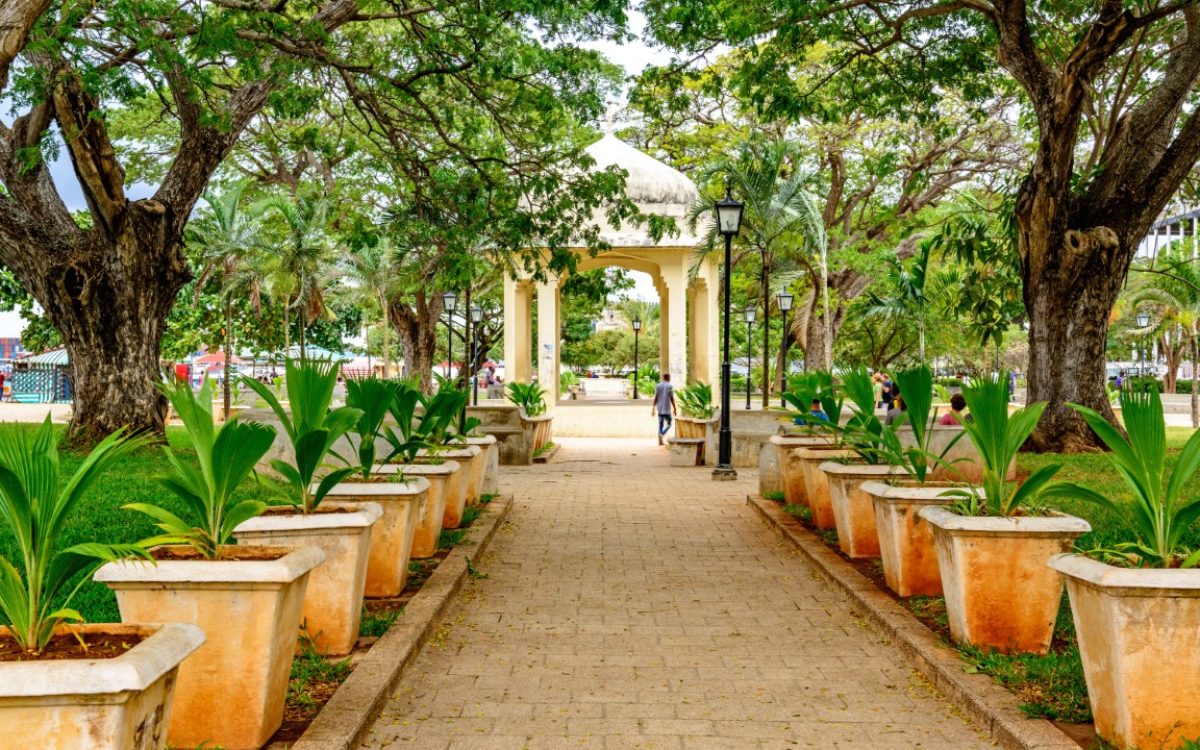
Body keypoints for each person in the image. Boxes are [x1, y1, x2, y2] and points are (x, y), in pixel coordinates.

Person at [652, 372, 677, 445]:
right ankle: (662, 433)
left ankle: (660, 440)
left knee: (660, 424)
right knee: (669, 424)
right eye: (669, 377)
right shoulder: (669, 386)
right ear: (668, 377)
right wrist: (675, 408)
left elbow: (656, 397)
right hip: (666, 409)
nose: (670, 379)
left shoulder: (658, 386)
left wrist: (653, 408)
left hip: (660, 408)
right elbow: (672, 398)